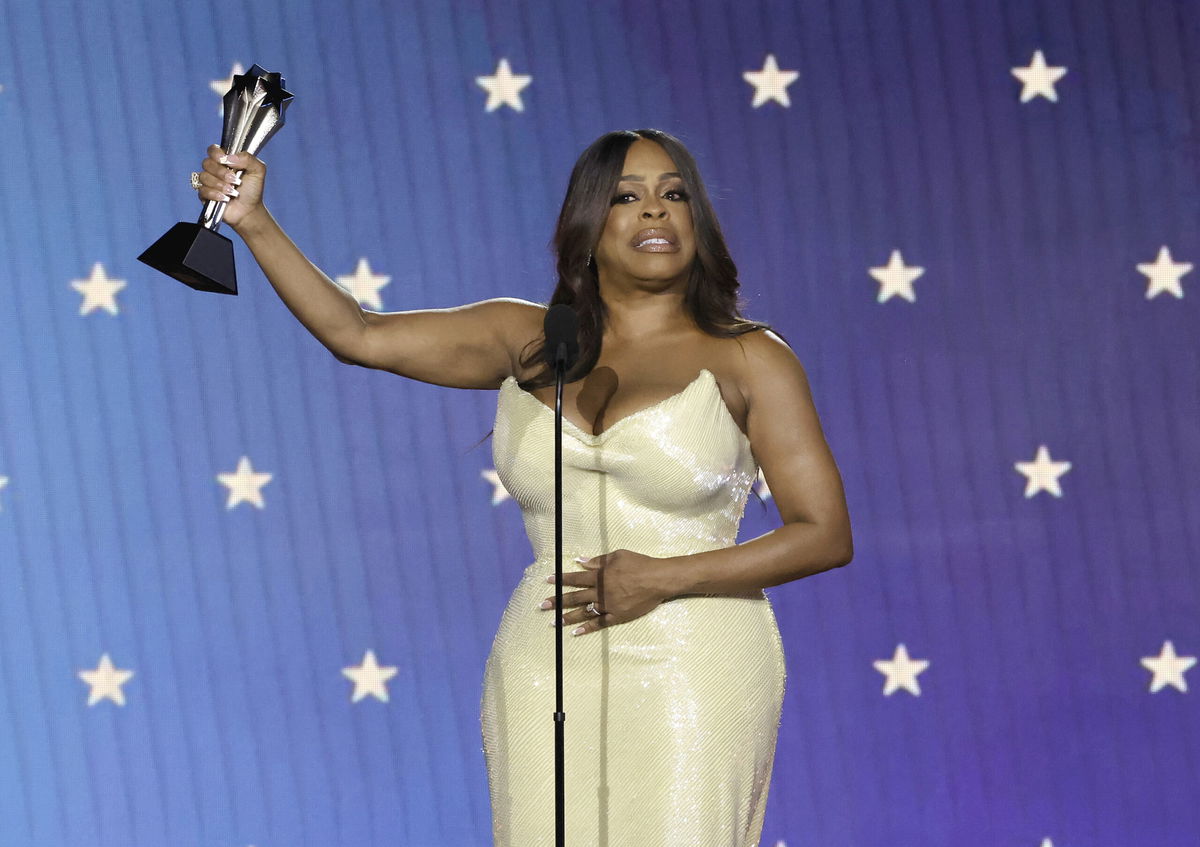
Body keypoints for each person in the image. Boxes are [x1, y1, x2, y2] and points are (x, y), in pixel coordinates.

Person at [193, 128, 853, 845]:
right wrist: (253, 220)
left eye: (674, 196)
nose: (656, 213)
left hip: (694, 656)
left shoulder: (752, 357)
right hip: (546, 655)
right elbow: (357, 332)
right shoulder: (526, 338)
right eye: (627, 197)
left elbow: (824, 532)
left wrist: (663, 577)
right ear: (587, 227)